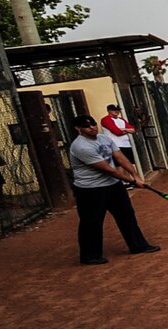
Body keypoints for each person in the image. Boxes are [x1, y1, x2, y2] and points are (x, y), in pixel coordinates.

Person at [66, 111, 160, 265]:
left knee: (126, 215)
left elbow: (120, 157)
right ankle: (90, 256)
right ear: (78, 128)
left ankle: (138, 245)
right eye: (87, 126)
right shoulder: (81, 146)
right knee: (92, 221)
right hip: (91, 189)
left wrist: (136, 176)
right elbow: (108, 169)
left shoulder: (103, 138)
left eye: (93, 124)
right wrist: (131, 181)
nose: (92, 127)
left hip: (112, 185)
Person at [99, 103, 139, 171]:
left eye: (118, 110)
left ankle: (131, 179)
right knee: (119, 165)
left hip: (126, 145)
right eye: (114, 110)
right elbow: (117, 132)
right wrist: (126, 130)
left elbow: (133, 129)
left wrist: (123, 129)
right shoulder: (106, 119)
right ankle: (124, 181)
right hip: (115, 145)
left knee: (130, 164)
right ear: (109, 111)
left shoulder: (121, 120)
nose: (117, 111)